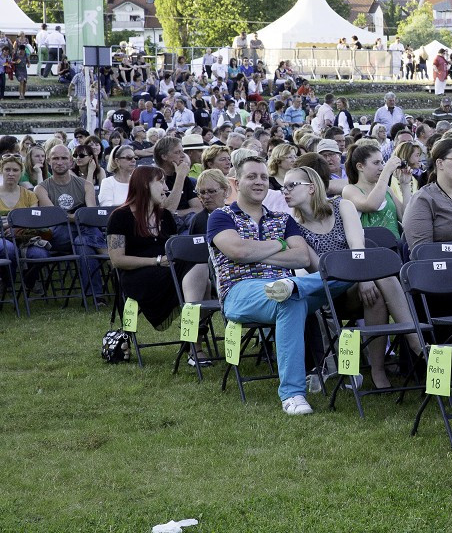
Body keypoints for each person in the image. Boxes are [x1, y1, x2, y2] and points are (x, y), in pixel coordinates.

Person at [207, 156, 329, 415]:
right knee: (290, 295)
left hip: (284, 286)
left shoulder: (283, 219)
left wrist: (256, 251)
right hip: (241, 291)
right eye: (252, 176)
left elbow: (302, 257)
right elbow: (237, 250)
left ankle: (294, 395)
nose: (259, 181)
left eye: (263, 176)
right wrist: (281, 245)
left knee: (339, 277)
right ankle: (292, 394)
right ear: (237, 183)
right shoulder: (221, 217)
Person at [282, 165, 420, 389]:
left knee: (379, 284)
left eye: (291, 185)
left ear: (311, 188)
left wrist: (364, 279)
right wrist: (362, 277)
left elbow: (358, 247)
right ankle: (418, 345)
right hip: (327, 294)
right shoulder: (294, 227)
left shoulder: (341, 206)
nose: (285, 191)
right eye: (283, 187)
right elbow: (322, 271)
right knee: (379, 277)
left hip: (358, 284)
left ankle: (378, 368)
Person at [107, 166, 206, 364]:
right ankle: (194, 346)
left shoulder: (165, 217)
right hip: (137, 277)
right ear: (145, 184)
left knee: (201, 273)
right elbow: (117, 260)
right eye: (160, 182)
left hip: (168, 272)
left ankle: (193, 341)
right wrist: (157, 261)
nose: (165, 187)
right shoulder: (120, 217)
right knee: (199, 274)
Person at [342, 144, 410, 237]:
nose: (381, 167)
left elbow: (405, 218)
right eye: (376, 163)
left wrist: (405, 185)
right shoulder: (350, 190)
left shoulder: (387, 190)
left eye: (382, 162)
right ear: (360, 166)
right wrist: (386, 172)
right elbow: (371, 205)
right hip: (371, 247)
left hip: (395, 247)